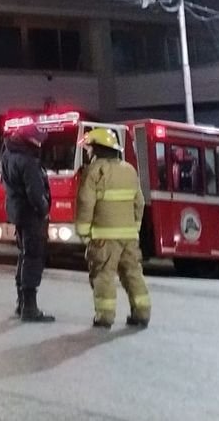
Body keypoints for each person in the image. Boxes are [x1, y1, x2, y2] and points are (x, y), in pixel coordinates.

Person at [76, 128, 150, 329]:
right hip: (129, 237)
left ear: (98, 148)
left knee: (103, 275)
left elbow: (85, 203)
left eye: (90, 148)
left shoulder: (94, 171)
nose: (89, 152)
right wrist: (134, 227)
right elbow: (139, 203)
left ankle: (104, 316)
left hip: (103, 237)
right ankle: (142, 313)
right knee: (133, 273)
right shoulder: (129, 170)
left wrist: (83, 231)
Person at [0, 122, 54, 323]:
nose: (40, 145)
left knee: (24, 255)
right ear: (31, 141)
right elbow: (35, 192)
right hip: (31, 214)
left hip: (17, 212)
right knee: (33, 257)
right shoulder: (28, 161)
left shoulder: (8, 155)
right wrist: (44, 209)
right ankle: (30, 308)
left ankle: (21, 302)